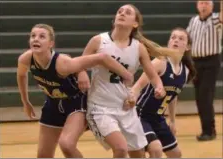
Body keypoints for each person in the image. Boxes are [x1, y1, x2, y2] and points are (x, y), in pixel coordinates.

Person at [77, 4, 180, 158]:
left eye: (127, 12)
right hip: (100, 108)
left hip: (126, 108)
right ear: (114, 19)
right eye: (119, 11)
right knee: (120, 149)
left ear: (135, 23)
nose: (122, 13)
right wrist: (81, 73)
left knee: (138, 154)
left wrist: (159, 87)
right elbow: (79, 64)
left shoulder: (138, 48)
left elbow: (152, 75)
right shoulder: (98, 41)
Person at [17, 23, 134, 158]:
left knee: (66, 144)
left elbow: (102, 57)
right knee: (43, 155)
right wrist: (25, 101)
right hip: (53, 103)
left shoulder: (62, 63)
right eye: (33, 36)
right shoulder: (25, 59)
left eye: (42, 36)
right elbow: (21, 75)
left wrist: (127, 75)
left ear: (51, 44)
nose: (36, 39)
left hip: (76, 103)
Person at [126, 27, 196, 158]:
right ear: (169, 42)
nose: (176, 40)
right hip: (141, 115)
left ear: (187, 47)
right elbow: (138, 86)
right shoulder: (160, 62)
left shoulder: (185, 71)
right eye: (173, 37)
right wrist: (130, 100)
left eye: (181, 39)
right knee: (156, 149)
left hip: (158, 118)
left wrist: (173, 121)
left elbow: (173, 97)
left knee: (176, 154)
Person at [186, 0, 223, 141]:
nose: (203, 5)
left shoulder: (215, 19)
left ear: (212, 6)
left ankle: (209, 131)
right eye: (201, 3)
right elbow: (188, 39)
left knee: (205, 96)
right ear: (197, 5)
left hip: (211, 62)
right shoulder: (193, 20)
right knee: (199, 98)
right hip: (196, 62)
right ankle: (206, 129)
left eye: (207, 3)